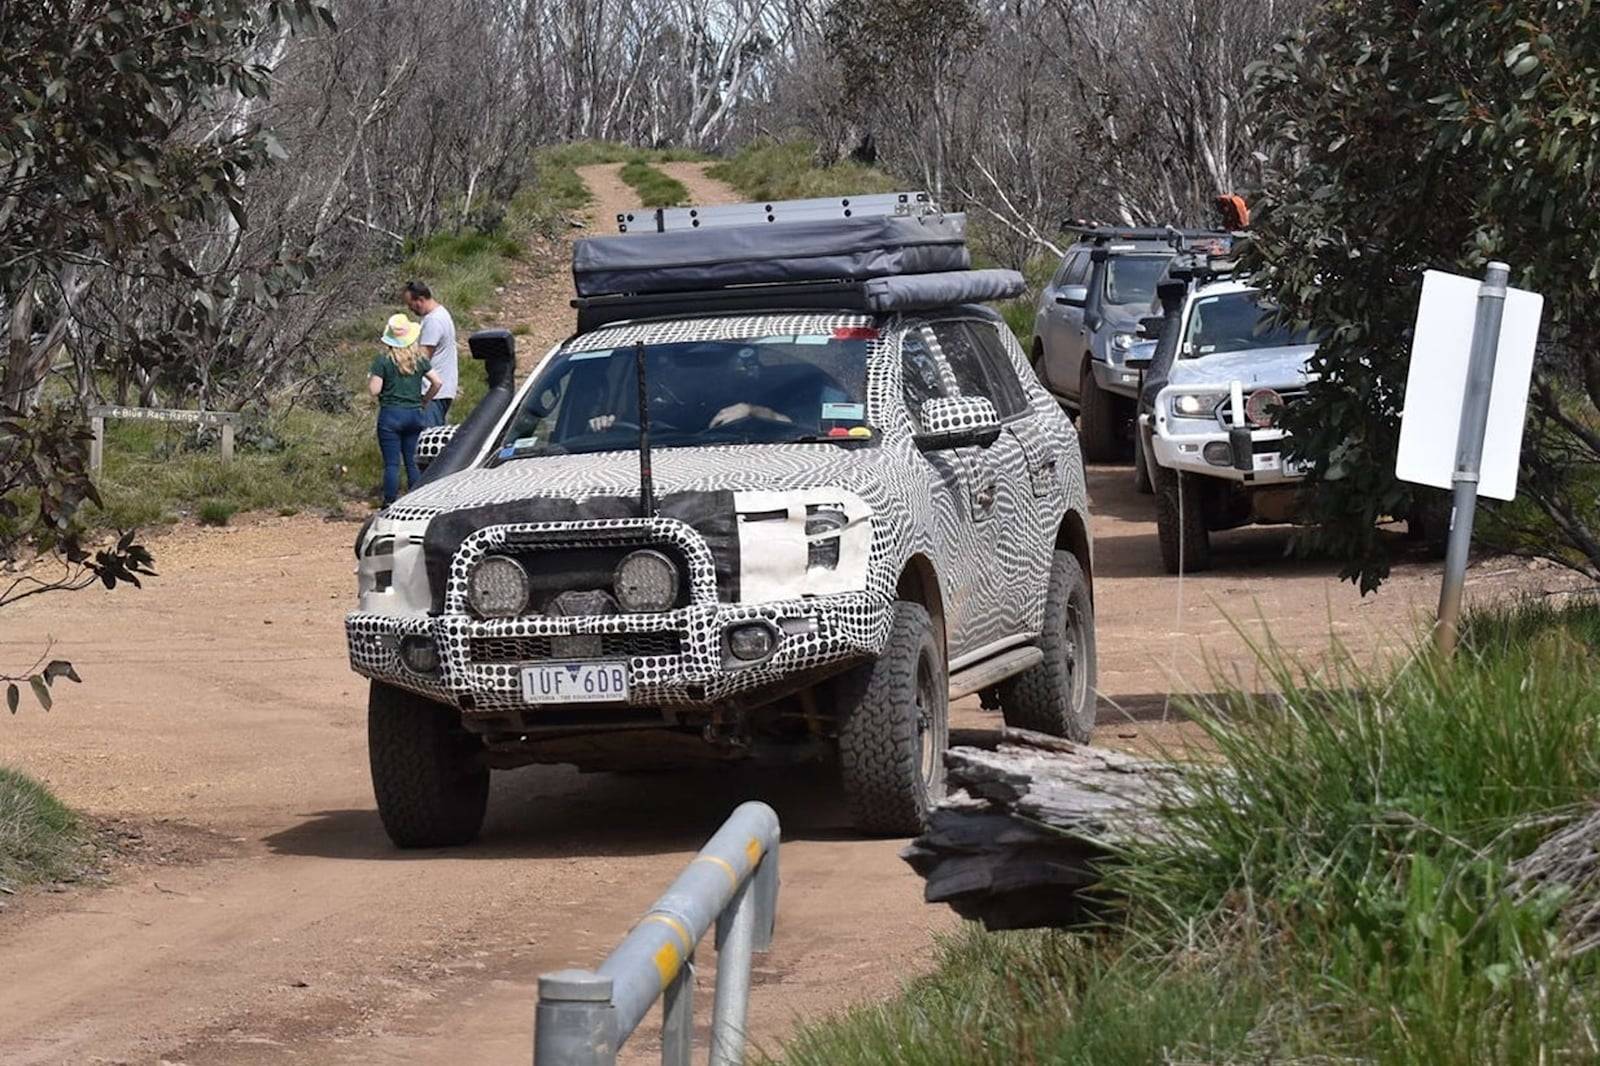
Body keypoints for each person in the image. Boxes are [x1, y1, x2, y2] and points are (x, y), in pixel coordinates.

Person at [369, 313, 442, 506]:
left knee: (392, 464)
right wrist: (425, 400)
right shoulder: (419, 360)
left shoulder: (383, 361)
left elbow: (374, 390)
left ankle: (389, 502)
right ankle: (416, 501)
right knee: (412, 461)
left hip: (391, 414)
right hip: (414, 413)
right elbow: (437, 382)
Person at [402, 279, 458, 426]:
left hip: (432, 393)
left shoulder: (433, 321)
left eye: (410, 305)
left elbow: (422, 358)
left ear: (420, 300)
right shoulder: (441, 314)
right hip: (441, 390)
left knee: (426, 440)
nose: (410, 309)